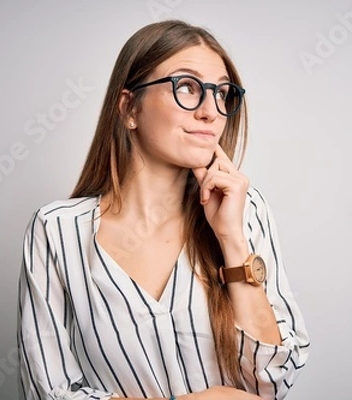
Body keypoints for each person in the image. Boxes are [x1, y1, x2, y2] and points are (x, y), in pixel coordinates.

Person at [17, 19, 309, 400]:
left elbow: (273, 382)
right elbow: (48, 392)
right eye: (187, 87)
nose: (210, 111)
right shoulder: (56, 231)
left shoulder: (245, 209)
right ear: (129, 108)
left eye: (222, 94)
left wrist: (231, 239)